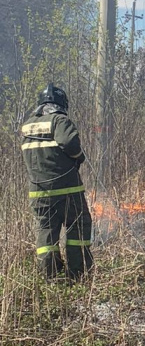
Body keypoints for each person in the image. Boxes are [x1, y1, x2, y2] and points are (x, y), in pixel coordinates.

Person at [20, 83, 93, 281]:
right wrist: (80, 157)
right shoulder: (60, 120)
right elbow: (70, 143)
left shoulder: (27, 125)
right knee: (78, 226)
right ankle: (78, 273)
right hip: (67, 190)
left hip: (39, 193)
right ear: (61, 103)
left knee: (46, 232)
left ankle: (50, 275)